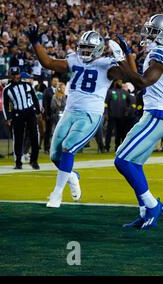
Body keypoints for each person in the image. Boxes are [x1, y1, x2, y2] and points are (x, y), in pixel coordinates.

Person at [25, 25, 124, 208]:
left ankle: (56, 194)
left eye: (89, 48)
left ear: (98, 50)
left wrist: (123, 57)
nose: (84, 51)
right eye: (83, 47)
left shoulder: (107, 65)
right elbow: (48, 63)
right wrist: (35, 43)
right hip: (70, 112)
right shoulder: (74, 60)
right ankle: (71, 175)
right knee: (55, 155)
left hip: (90, 114)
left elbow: (127, 75)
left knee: (68, 148)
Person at [109, 14, 163, 230]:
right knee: (134, 164)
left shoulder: (159, 53)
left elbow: (141, 81)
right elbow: (140, 76)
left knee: (122, 160)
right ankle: (145, 213)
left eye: (153, 32)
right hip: (160, 114)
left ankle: (152, 205)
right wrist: (129, 55)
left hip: (156, 115)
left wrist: (120, 58)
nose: (147, 35)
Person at [1, 67, 41, 169]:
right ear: (10, 75)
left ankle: (34, 161)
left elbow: (35, 98)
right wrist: (7, 117)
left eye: (17, 74)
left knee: (35, 137)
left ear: (20, 74)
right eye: (13, 75)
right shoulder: (7, 89)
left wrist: (38, 111)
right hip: (17, 113)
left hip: (30, 112)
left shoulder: (27, 85)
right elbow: (5, 105)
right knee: (18, 138)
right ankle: (18, 162)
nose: (16, 76)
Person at [43, 75, 59, 153]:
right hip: (49, 114)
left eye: (57, 81)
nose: (56, 82)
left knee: (58, 131)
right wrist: (46, 115)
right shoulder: (47, 91)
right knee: (48, 132)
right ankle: (47, 148)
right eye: (54, 81)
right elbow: (45, 103)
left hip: (58, 115)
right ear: (51, 82)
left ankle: (57, 148)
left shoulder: (60, 91)